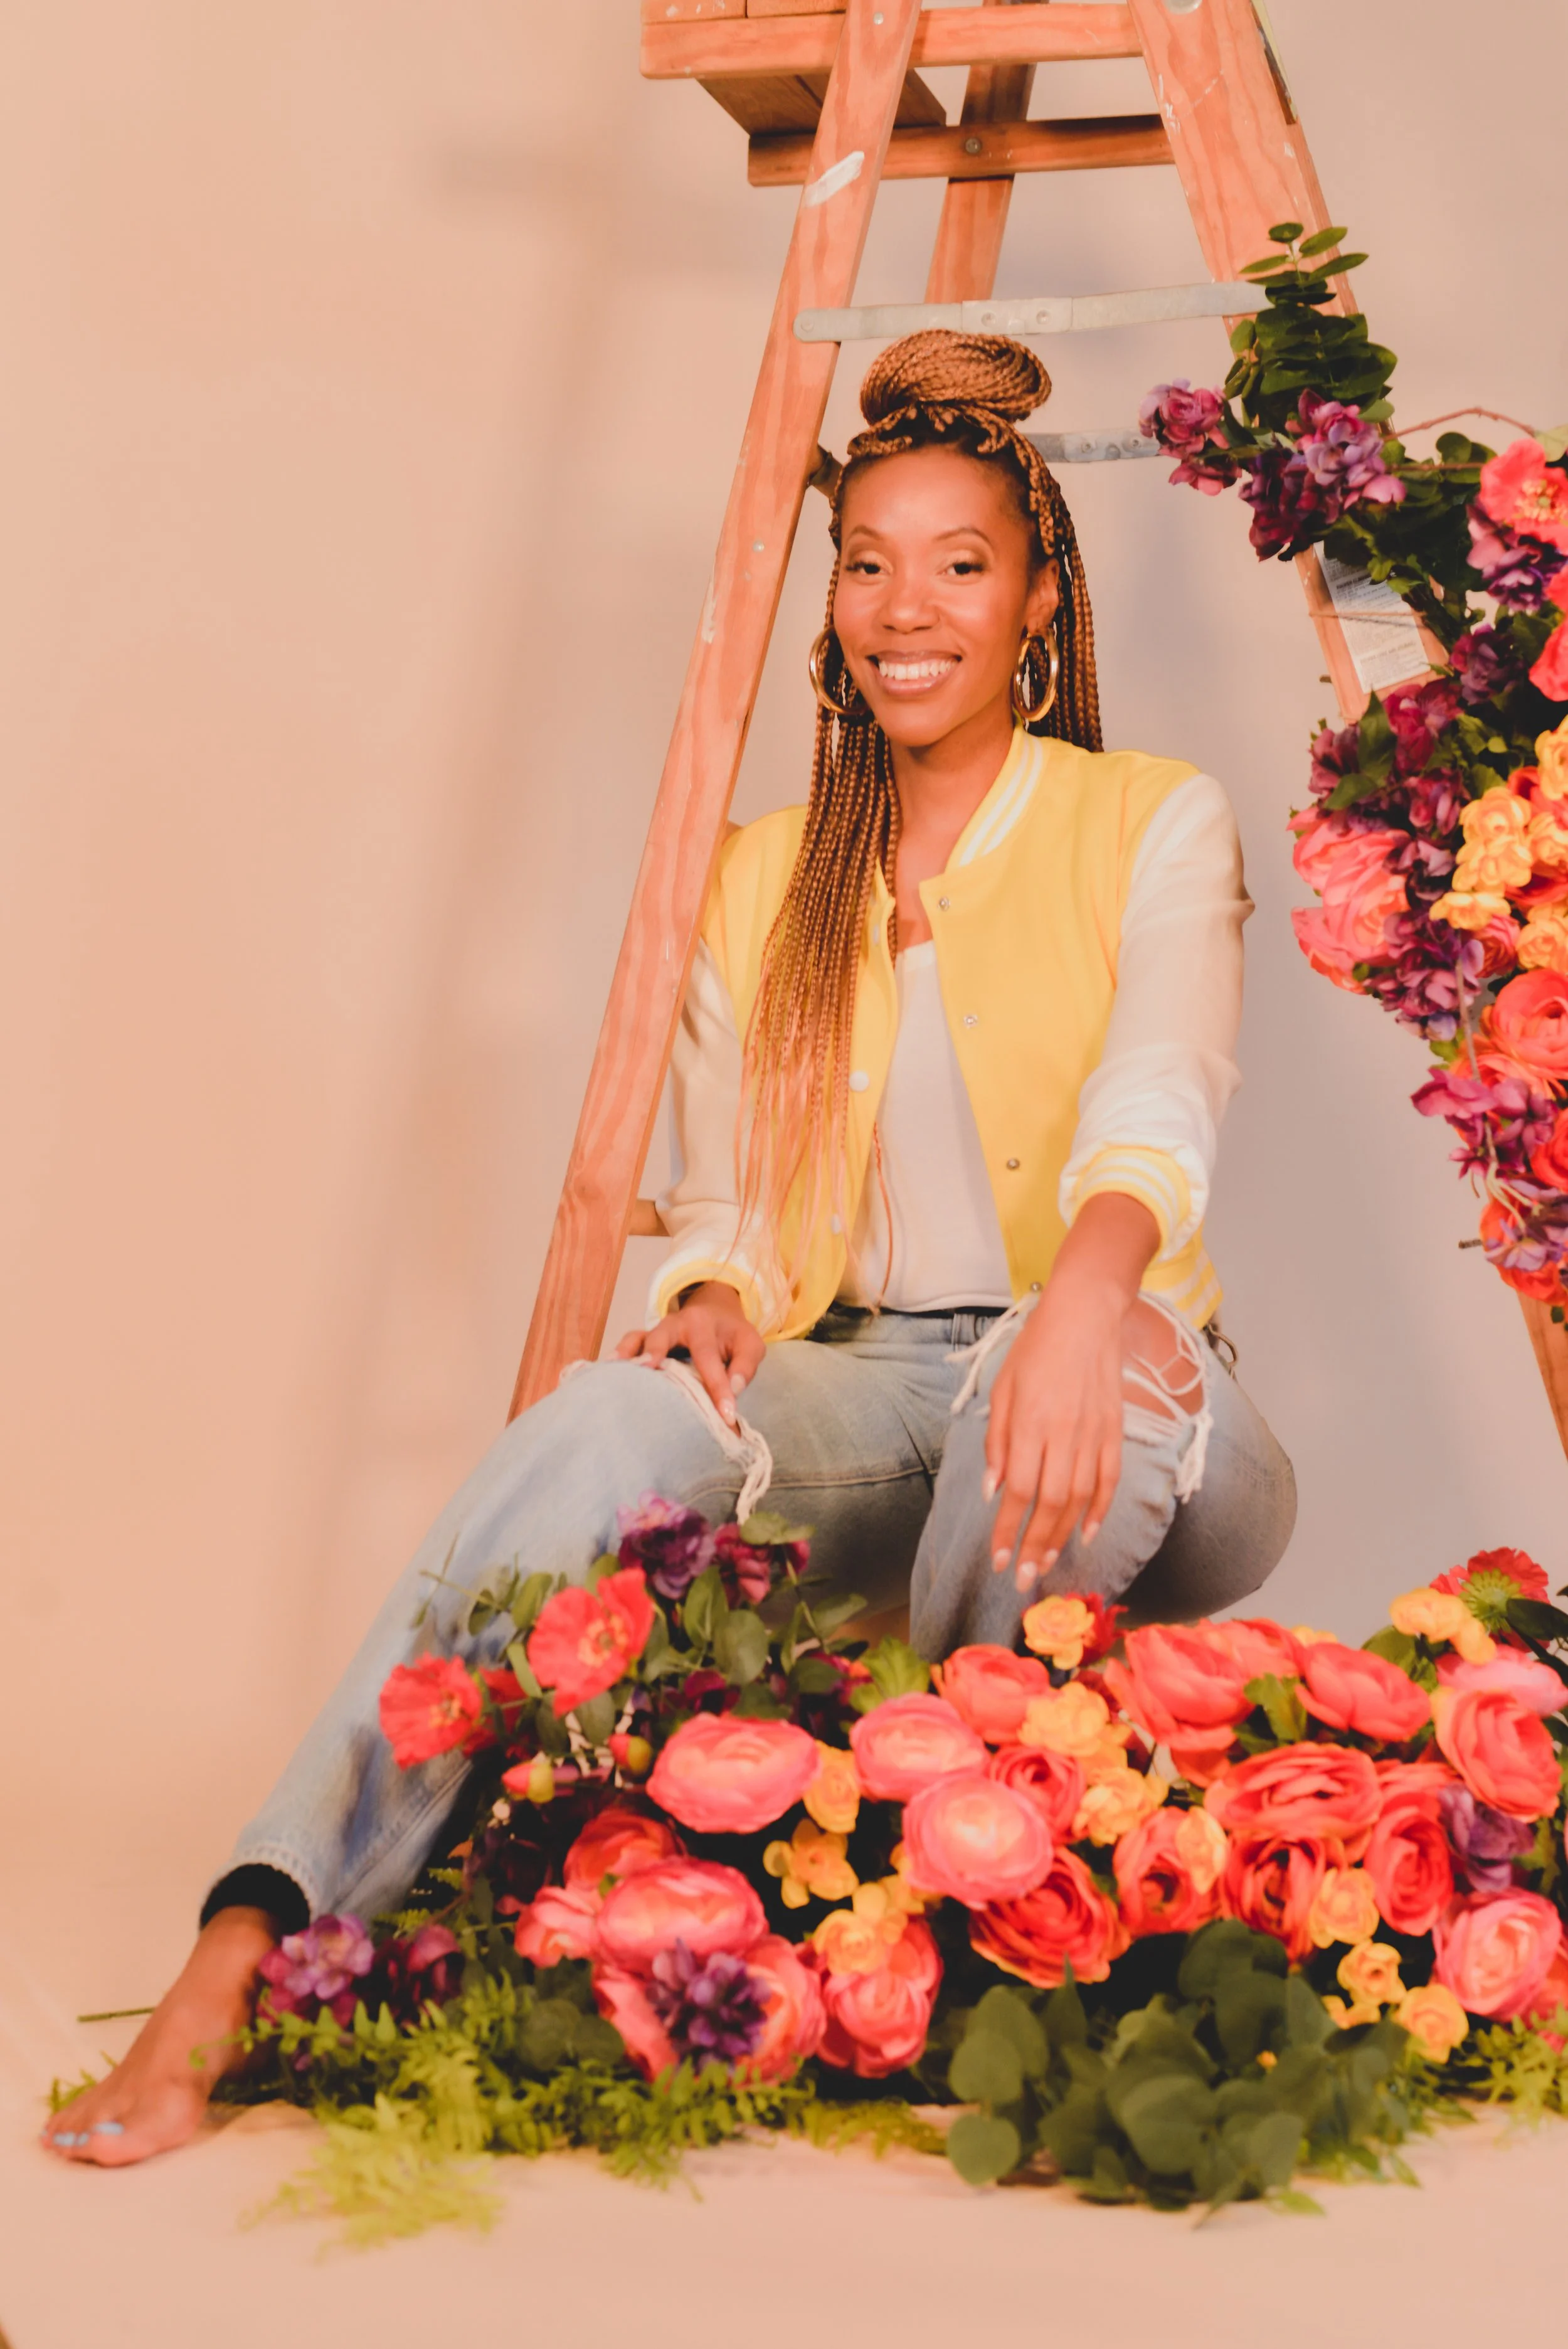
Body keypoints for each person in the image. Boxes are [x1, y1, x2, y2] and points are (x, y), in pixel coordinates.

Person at [45, 331, 1295, 2166]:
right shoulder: (765, 874)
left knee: (1059, 1357)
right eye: (865, 563)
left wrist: (1082, 1303)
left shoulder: (1148, 818)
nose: (905, 607)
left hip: (1146, 1395)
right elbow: (733, 1203)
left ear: (1037, 598)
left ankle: (937, 1914)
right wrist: (708, 1294)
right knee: (601, 1419)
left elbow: (1161, 1096)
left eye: (958, 563)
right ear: (832, 604)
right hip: (874, 1391)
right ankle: (253, 1942)